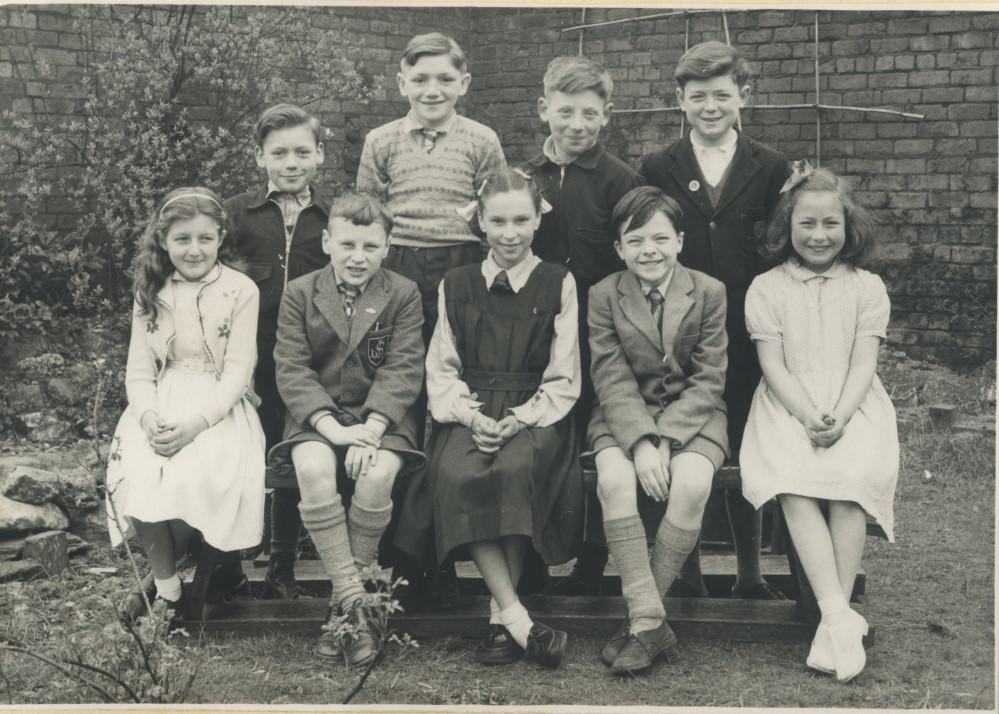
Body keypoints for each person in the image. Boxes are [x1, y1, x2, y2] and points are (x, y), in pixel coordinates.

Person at [401, 168, 582, 668]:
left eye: (521, 220)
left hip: (535, 410)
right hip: (473, 407)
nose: (509, 233)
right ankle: (516, 618)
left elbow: (564, 375)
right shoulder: (456, 283)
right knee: (458, 474)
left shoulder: (558, 281)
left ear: (538, 219)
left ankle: (500, 618)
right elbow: (441, 368)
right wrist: (470, 416)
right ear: (480, 221)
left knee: (514, 471)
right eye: (497, 221)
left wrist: (521, 419)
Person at [640, 41, 791, 600]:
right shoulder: (659, 166)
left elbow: (778, 245)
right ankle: (689, 572)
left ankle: (751, 572)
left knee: (745, 445)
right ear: (680, 99)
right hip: (679, 333)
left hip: (749, 334)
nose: (709, 106)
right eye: (697, 96)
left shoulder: (770, 166)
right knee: (689, 446)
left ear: (743, 97)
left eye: (722, 95)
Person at [356, 31, 506, 595]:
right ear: (401, 84)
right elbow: (369, 216)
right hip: (397, 271)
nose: (432, 89)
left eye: (445, 78)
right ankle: (405, 554)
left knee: (451, 394)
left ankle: (448, 546)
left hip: (462, 267)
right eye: (420, 79)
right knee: (405, 392)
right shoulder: (381, 140)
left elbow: (497, 215)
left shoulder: (481, 139)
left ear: (463, 84)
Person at [740, 162, 898, 683]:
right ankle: (838, 616)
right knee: (794, 480)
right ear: (786, 226)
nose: (818, 235)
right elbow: (773, 365)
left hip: (854, 403)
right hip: (789, 403)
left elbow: (862, 365)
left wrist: (841, 416)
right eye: (806, 224)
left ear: (848, 227)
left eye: (830, 224)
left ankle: (834, 617)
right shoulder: (766, 287)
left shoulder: (867, 287)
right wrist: (809, 415)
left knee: (851, 477)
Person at [270, 191, 425, 668]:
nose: (358, 258)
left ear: (387, 247)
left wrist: (373, 429)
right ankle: (358, 605)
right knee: (313, 467)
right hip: (318, 418)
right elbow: (292, 369)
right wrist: (333, 431)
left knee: (377, 475)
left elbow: (402, 369)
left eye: (370, 247)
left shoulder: (402, 293)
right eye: (348, 245)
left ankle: (342, 612)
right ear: (327, 242)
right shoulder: (300, 291)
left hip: (383, 418)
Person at [106, 187, 265, 625]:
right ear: (164, 241)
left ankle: (166, 588)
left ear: (220, 238)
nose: (194, 250)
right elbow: (139, 370)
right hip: (162, 398)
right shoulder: (150, 291)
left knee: (189, 474)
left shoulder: (241, 290)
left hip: (220, 409)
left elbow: (238, 371)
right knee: (138, 474)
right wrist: (148, 417)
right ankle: (170, 590)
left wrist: (196, 425)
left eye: (204, 239)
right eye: (182, 239)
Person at [587, 186, 729, 674]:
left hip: (696, 415)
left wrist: (666, 439)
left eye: (660, 238)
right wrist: (641, 440)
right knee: (613, 480)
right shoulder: (603, 294)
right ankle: (649, 620)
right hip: (621, 413)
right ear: (619, 249)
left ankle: (641, 622)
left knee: (691, 482)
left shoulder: (709, 291)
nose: (649, 250)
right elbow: (609, 374)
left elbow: (709, 378)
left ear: (680, 241)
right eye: (636, 240)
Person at [523, 54, 644, 593]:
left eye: (590, 113)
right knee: (543, 441)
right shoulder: (523, 178)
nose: (577, 124)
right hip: (535, 336)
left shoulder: (622, 180)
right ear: (544, 108)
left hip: (601, 336)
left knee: (599, 442)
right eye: (565, 111)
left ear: (607, 115)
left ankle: (594, 560)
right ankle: (533, 555)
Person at [224, 103, 333, 600]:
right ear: (260, 157)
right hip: (245, 360)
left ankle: (283, 568)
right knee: (243, 456)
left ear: (320, 156)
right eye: (279, 153)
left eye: (302, 152)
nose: (291, 162)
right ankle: (227, 565)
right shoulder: (235, 214)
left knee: (291, 454)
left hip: (305, 364)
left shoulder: (330, 220)